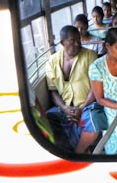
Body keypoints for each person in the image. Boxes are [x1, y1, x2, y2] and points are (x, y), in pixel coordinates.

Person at [45, 25, 107, 153]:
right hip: (64, 107)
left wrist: (82, 108)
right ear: (63, 43)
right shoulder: (52, 61)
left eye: (78, 39)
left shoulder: (90, 56)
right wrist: (65, 108)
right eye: (72, 40)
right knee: (45, 119)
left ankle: (78, 153)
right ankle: (70, 147)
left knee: (94, 122)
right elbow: (53, 91)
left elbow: (94, 88)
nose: (78, 43)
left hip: (87, 105)